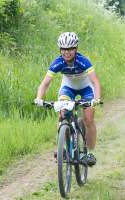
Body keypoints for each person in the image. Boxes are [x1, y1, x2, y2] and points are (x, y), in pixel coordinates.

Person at [34, 32, 101, 166]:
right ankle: (64, 148)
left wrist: (96, 99)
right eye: (64, 49)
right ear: (60, 49)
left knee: (88, 118)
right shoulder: (58, 62)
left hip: (86, 88)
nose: (67, 52)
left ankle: (90, 152)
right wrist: (39, 98)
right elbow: (45, 83)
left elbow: (95, 82)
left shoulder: (83, 61)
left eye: (70, 49)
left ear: (75, 49)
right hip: (68, 88)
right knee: (63, 114)